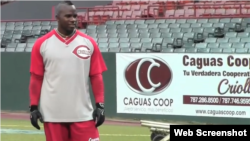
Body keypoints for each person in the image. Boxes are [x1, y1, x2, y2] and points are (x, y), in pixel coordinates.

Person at [28, 0, 107, 140]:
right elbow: (36, 78)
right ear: (57, 18)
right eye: (68, 16)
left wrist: (100, 105)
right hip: (53, 116)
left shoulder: (89, 43)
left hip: (83, 114)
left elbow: (96, 76)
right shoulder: (41, 44)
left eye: (75, 16)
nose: (73, 19)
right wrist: (33, 107)